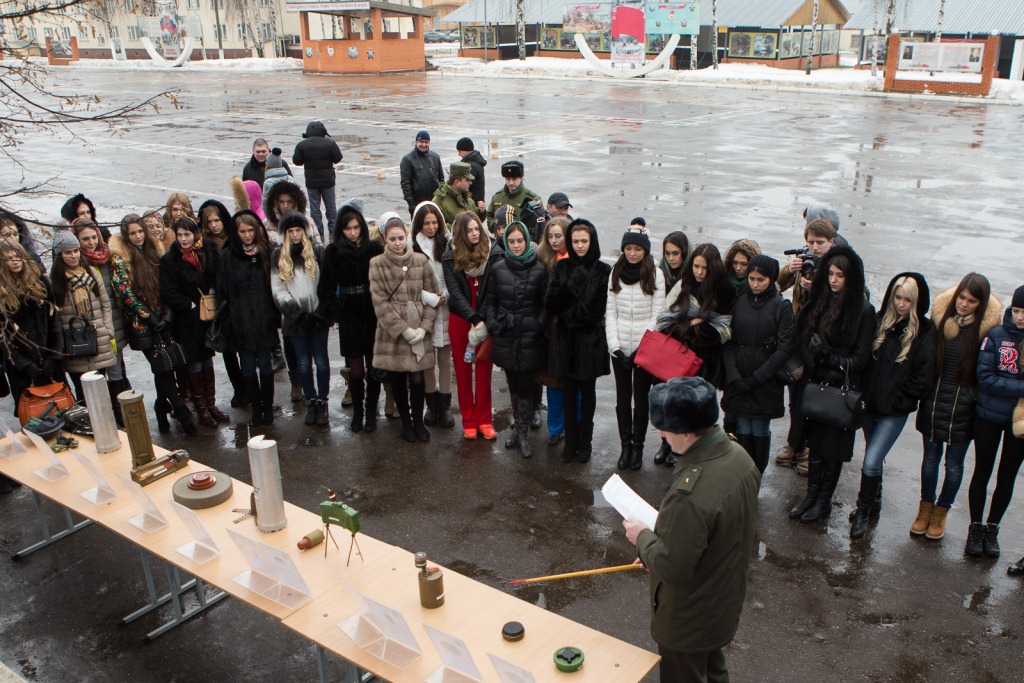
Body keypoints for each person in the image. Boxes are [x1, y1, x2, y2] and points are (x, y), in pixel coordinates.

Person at [622, 377, 759, 683]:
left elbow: (672, 566)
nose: (661, 433)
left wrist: (642, 537)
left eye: (665, 428)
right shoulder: (739, 457)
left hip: (688, 618)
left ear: (685, 433)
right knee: (711, 670)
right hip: (719, 603)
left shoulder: (690, 494)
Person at [788, 247, 875, 524]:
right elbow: (800, 336)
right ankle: (811, 496)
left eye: (840, 275)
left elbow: (862, 358)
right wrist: (810, 356)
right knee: (814, 446)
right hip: (814, 383)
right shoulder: (819, 301)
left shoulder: (862, 310)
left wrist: (829, 356)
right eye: (830, 274)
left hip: (840, 390)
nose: (834, 280)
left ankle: (823, 501)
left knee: (833, 450)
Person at [912, 274, 1001, 541]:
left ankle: (941, 512)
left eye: (971, 301)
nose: (963, 304)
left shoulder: (985, 334)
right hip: (934, 403)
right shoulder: (940, 324)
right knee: (929, 461)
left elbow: (984, 374)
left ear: (981, 304)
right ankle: (925, 507)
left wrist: (970, 399)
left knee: (953, 465)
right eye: (961, 298)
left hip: (962, 410)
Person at [850, 273, 935, 539]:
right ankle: (874, 501)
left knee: (872, 460)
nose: (901, 304)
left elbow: (924, 375)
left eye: (907, 299)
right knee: (874, 457)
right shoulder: (880, 322)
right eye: (897, 297)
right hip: (870, 405)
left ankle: (862, 513)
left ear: (916, 301)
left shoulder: (924, 331)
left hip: (894, 411)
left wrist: (900, 400)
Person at [110, 215, 197, 436]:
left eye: (140, 231)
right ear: (126, 235)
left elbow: (167, 284)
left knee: (167, 365)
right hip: (142, 324)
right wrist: (149, 317)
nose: (138, 236)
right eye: (133, 233)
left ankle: (160, 406)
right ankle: (181, 411)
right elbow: (125, 293)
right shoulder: (120, 259)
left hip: (164, 318)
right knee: (161, 366)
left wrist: (166, 315)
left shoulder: (155, 252)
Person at [721, 254, 794, 475]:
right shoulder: (740, 302)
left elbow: (784, 349)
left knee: (759, 428)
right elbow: (729, 341)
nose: (754, 284)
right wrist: (733, 375)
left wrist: (757, 378)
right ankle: (742, 476)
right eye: (752, 278)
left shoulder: (781, 306)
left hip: (764, 383)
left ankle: (756, 475)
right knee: (742, 428)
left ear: (771, 279)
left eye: (760, 279)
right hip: (740, 379)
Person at [965, 285, 1024, 559]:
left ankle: (992, 529)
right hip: (988, 416)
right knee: (982, 472)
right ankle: (975, 527)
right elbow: (985, 378)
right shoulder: (996, 336)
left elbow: (996, 380)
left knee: (1007, 477)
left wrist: (1009, 385)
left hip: (1019, 422)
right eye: (1018, 311)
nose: (1021, 317)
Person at [545, 218, 610, 464]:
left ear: (591, 242)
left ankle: (585, 443)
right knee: (568, 394)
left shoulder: (603, 270)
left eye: (584, 241)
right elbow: (551, 303)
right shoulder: (561, 268)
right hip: (565, 344)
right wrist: (572, 285)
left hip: (589, 344)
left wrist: (567, 314)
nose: (580, 246)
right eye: (575, 241)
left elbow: (595, 309)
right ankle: (570, 442)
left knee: (588, 394)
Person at [368, 214, 438, 443]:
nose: (398, 243)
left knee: (418, 379)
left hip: (418, 326)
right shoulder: (377, 264)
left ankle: (418, 421)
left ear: (407, 236)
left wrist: (424, 327)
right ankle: (406, 423)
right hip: (394, 332)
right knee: (398, 377)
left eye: (401, 238)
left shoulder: (421, 261)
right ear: (384, 239)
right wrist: (402, 329)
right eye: (392, 239)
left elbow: (432, 297)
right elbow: (380, 302)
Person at [775, 217, 837, 472]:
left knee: (813, 398)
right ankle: (795, 444)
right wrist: (791, 270)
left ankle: (808, 448)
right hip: (799, 337)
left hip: (821, 340)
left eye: (820, 242)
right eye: (810, 242)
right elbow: (777, 285)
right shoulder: (805, 261)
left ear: (831, 242)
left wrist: (819, 287)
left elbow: (848, 297)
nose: (814, 247)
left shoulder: (837, 264)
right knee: (795, 393)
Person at [482, 220, 548, 458]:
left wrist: (537, 324)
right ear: (506, 243)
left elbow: (544, 305)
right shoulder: (498, 267)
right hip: (506, 334)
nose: (517, 245)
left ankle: (524, 433)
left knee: (527, 385)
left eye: (520, 240)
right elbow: (490, 301)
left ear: (527, 241)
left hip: (530, 335)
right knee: (512, 383)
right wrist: (494, 324)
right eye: (512, 241)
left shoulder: (540, 269)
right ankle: (517, 427)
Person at [320, 202, 385, 432]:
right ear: (341, 229)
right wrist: (336, 309)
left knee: (375, 366)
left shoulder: (374, 248)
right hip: (350, 313)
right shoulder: (333, 251)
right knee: (356, 369)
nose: (353, 232)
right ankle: (358, 412)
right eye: (348, 228)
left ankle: (371, 411)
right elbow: (326, 286)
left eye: (357, 227)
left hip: (372, 309)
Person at [605, 225, 665, 471]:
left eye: (637, 248)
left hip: (645, 349)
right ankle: (625, 445)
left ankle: (638, 445)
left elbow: (657, 315)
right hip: (620, 346)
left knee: (641, 400)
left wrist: (644, 347)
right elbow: (610, 312)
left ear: (645, 250)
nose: (632, 253)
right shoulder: (615, 273)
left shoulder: (655, 275)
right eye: (628, 248)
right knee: (622, 398)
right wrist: (615, 347)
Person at [159, 217, 226, 429]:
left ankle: (211, 405)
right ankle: (202, 409)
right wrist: (188, 305)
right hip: (186, 320)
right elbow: (168, 291)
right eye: (179, 235)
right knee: (194, 362)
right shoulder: (170, 259)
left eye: (187, 234)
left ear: (195, 234)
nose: (183, 239)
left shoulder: (206, 250)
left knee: (207, 359)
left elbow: (215, 276)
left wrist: (213, 294)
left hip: (206, 316)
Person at [218, 210, 281, 427]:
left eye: (250, 230)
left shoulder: (266, 252)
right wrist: (230, 320)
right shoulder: (227, 257)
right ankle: (256, 408)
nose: (247, 235)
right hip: (240, 321)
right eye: (242, 231)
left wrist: (273, 316)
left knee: (265, 365)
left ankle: (267, 407)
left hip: (263, 320)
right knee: (247, 367)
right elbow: (223, 291)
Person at [443, 211, 499, 440]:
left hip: (486, 318)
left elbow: (493, 289)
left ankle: (485, 419)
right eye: (470, 230)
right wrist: (473, 319)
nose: (475, 233)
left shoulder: (494, 253)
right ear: (461, 233)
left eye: (478, 228)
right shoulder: (449, 256)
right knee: (463, 370)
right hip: (461, 320)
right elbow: (454, 293)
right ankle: (469, 419)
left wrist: (483, 320)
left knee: (484, 370)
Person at [271, 212, 330, 427]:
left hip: (317, 317)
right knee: (304, 364)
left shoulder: (317, 252)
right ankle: (311, 400)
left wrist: (320, 313)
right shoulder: (278, 255)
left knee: (322, 361)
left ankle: (322, 401)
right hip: (295, 321)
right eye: (291, 231)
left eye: (298, 230)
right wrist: (298, 314)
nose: (295, 235)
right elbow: (278, 290)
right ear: (285, 234)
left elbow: (326, 285)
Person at [72, 220, 129, 424]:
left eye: (94, 237)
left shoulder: (108, 257)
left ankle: (119, 416)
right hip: (91, 330)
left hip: (113, 325)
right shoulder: (74, 262)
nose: (91, 242)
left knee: (116, 371)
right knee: (97, 375)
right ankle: (103, 418)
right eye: (85, 239)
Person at [49, 230, 116, 402]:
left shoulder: (91, 273)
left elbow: (105, 304)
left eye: (75, 251)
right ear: (59, 255)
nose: (73, 256)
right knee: (83, 394)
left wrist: (107, 329)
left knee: (102, 390)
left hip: (97, 338)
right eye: (68, 252)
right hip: (73, 344)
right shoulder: (54, 281)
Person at [0, 241, 63, 417]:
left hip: (48, 354)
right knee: (32, 414)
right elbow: (4, 338)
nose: (15, 261)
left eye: (17, 257)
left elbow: (54, 322)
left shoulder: (40, 282)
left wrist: (53, 356)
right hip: (21, 365)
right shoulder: (2, 291)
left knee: (59, 405)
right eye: (9, 259)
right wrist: (26, 365)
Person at [198, 199, 248, 409]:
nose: (214, 225)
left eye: (217, 220)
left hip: (240, 299)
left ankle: (249, 385)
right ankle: (239, 389)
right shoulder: (205, 245)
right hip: (221, 302)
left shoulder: (234, 238)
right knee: (227, 350)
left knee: (245, 348)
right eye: (210, 222)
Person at [411, 201, 454, 428]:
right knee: (428, 360)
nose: (431, 227)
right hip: (423, 311)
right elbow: (410, 283)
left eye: (434, 222)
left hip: (445, 307)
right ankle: (431, 404)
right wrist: (431, 298)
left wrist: (446, 295)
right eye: (426, 223)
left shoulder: (446, 243)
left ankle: (445, 406)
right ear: (419, 224)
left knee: (445, 360)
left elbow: (453, 275)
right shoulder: (412, 247)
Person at [537, 217, 570, 446]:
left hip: (571, 330)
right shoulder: (543, 259)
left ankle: (574, 425)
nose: (554, 240)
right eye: (550, 236)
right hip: (550, 330)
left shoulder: (577, 260)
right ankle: (555, 428)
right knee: (554, 382)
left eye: (558, 235)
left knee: (574, 383)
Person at [292, 120, 343, 240]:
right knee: (331, 208)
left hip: (312, 182)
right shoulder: (330, 143)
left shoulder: (302, 145)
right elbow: (337, 158)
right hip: (328, 181)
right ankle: (333, 234)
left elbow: (297, 161)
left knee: (315, 209)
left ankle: (319, 234)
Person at [486, 161, 541, 233]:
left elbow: (540, 224)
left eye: (514, 179)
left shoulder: (532, 199)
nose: (511, 182)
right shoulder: (497, 197)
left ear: (521, 178)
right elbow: (490, 217)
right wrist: (498, 226)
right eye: (508, 179)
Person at [400, 130, 444, 217]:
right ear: (416, 142)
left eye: (426, 142)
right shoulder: (408, 160)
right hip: (417, 203)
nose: (424, 145)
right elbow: (405, 184)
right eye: (421, 142)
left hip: (434, 202)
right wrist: (411, 204)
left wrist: (441, 198)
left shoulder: (435, 157)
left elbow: (441, 179)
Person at [432, 162, 478, 228]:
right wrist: (464, 229)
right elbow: (438, 228)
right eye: (467, 180)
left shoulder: (467, 199)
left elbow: (477, 221)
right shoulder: (439, 201)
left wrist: (482, 212)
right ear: (457, 182)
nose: (470, 182)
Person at [456, 137, 487, 212]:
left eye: (460, 151)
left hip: (472, 206)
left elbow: (464, 186)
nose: (459, 154)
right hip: (477, 203)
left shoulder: (471, 166)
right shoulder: (477, 162)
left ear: (465, 150)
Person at [658, 230, 690, 295]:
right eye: (667, 253)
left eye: (676, 253)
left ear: (685, 253)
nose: (671, 258)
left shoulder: (695, 275)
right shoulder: (659, 273)